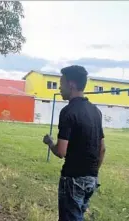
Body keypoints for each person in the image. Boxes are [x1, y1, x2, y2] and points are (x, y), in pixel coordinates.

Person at [42, 65, 106, 221]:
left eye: (61, 83)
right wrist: (93, 173)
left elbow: (61, 152)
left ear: (71, 84)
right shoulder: (95, 111)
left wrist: (50, 142)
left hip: (72, 180)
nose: (59, 87)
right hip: (91, 178)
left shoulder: (68, 112)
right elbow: (102, 149)